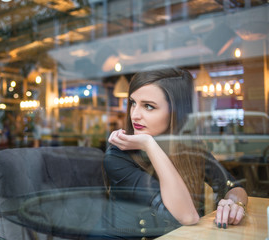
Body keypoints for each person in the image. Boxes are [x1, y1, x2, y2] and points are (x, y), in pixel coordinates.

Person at [103, 65, 248, 238]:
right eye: (133, 103)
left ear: (176, 112)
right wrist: (149, 144)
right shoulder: (117, 157)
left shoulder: (191, 149)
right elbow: (186, 216)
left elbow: (233, 186)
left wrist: (233, 204)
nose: (134, 115)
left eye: (148, 106)